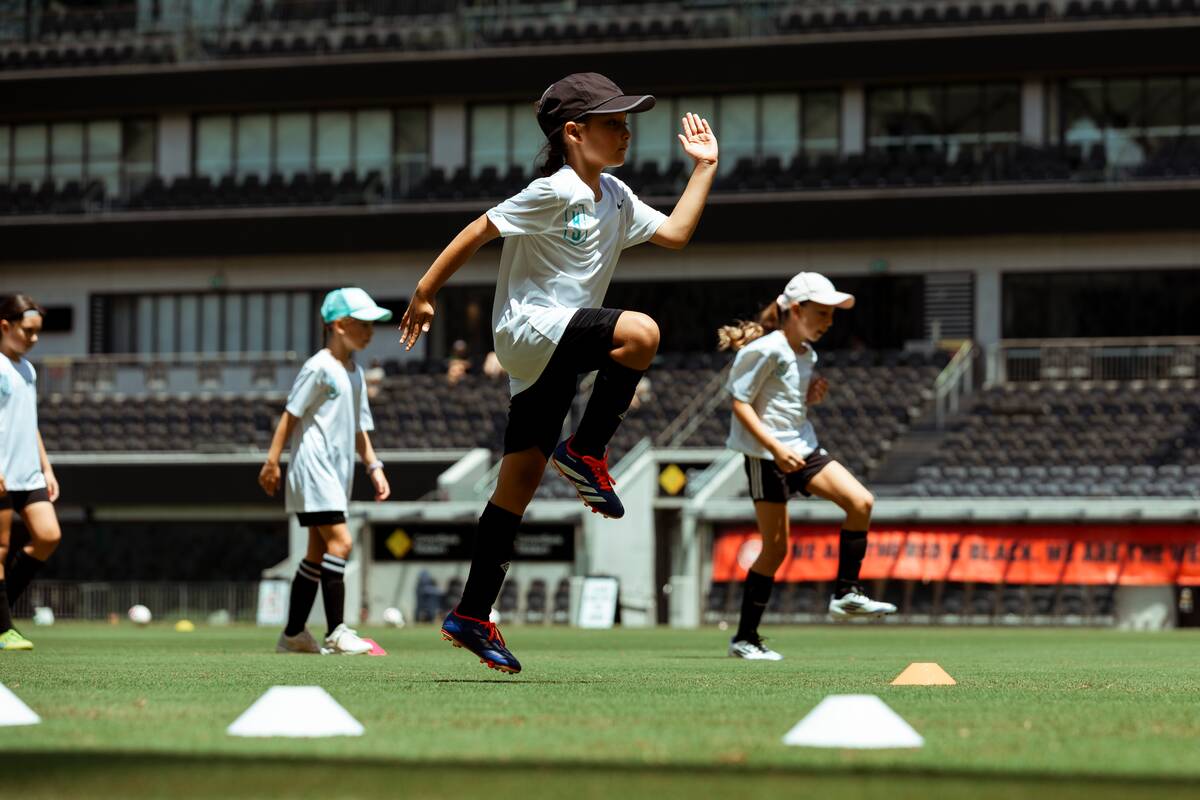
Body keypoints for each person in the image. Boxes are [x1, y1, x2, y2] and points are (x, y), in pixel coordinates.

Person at [399, 72, 719, 673]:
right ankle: (586, 450)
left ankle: (471, 614)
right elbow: (480, 229)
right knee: (642, 332)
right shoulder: (555, 189)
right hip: (530, 330)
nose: (625, 133)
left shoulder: (616, 195)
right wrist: (424, 291)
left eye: (626, 123)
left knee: (515, 487)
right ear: (573, 132)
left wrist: (703, 168)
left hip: (552, 351)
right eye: (612, 123)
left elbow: (676, 234)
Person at [718, 272, 896, 661]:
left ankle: (845, 593)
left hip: (803, 447)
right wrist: (774, 448)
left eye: (832, 315)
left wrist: (809, 397)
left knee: (861, 502)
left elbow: (783, 402)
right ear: (796, 310)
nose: (828, 322)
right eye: (822, 313)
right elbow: (740, 403)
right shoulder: (766, 349)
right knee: (775, 550)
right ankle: (745, 639)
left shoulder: (807, 354)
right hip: (767, 455)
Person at [259, 288, 392, 656]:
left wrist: (374, 467)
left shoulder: (356, 372)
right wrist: (272, 461)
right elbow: (291, 414)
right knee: (342, 543)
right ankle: (336, 631)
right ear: (338, 325)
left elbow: (359, 428)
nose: (370, 331)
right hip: (313, 467)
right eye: (362, 323)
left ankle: (293, 634)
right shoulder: (319, 367)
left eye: (371, 325)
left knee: (317, 552)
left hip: (336, 472)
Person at [0, 294, 62, 652]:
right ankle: (3, 628)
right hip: (2, 474)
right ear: (5, 326)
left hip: (28, 473)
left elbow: (29, 423)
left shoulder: (28, 369)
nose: (34, 339)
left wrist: (46, 467)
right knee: (0, 548)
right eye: (28, 331)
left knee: (48, 536)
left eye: (37, 332)